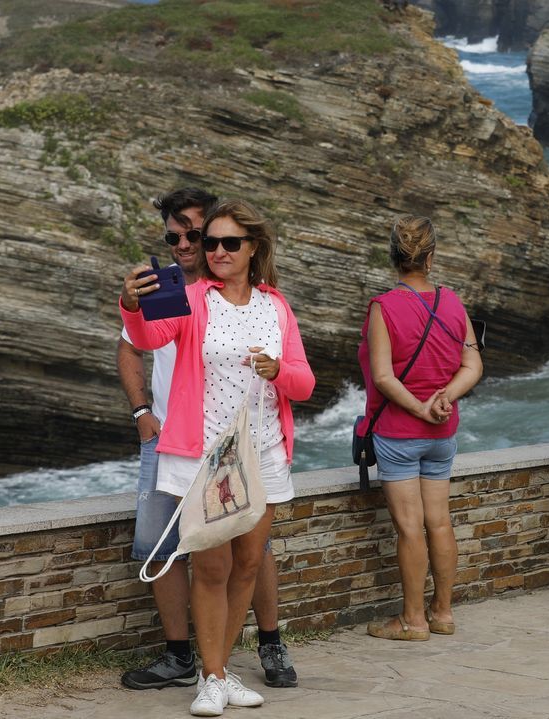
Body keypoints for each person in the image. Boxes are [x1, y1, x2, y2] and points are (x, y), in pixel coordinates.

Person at [120, 200, 316, 716]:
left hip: (266, 452)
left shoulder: (278, 307)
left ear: (254, 248)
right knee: (212, 565)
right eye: (211, 243)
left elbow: (305, 382)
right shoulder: (190, 299)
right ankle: (210, 677)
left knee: (248, 563)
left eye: (231, 243)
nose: (218, 251)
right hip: (206, 455)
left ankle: (221, 669)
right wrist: (131, 304)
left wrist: (278, 371)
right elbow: (147, 336)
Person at [357, 216, 483, 640]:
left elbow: (383, 377)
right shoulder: (453, 302)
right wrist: (444, 399)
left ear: (394, 257)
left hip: (398, 432)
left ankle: (412, 621)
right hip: (442, 435)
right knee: (440, 523)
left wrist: (420, 408)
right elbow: (473, 365)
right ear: (430, 258)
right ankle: (443, 614)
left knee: (410, 529)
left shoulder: (383, 307)